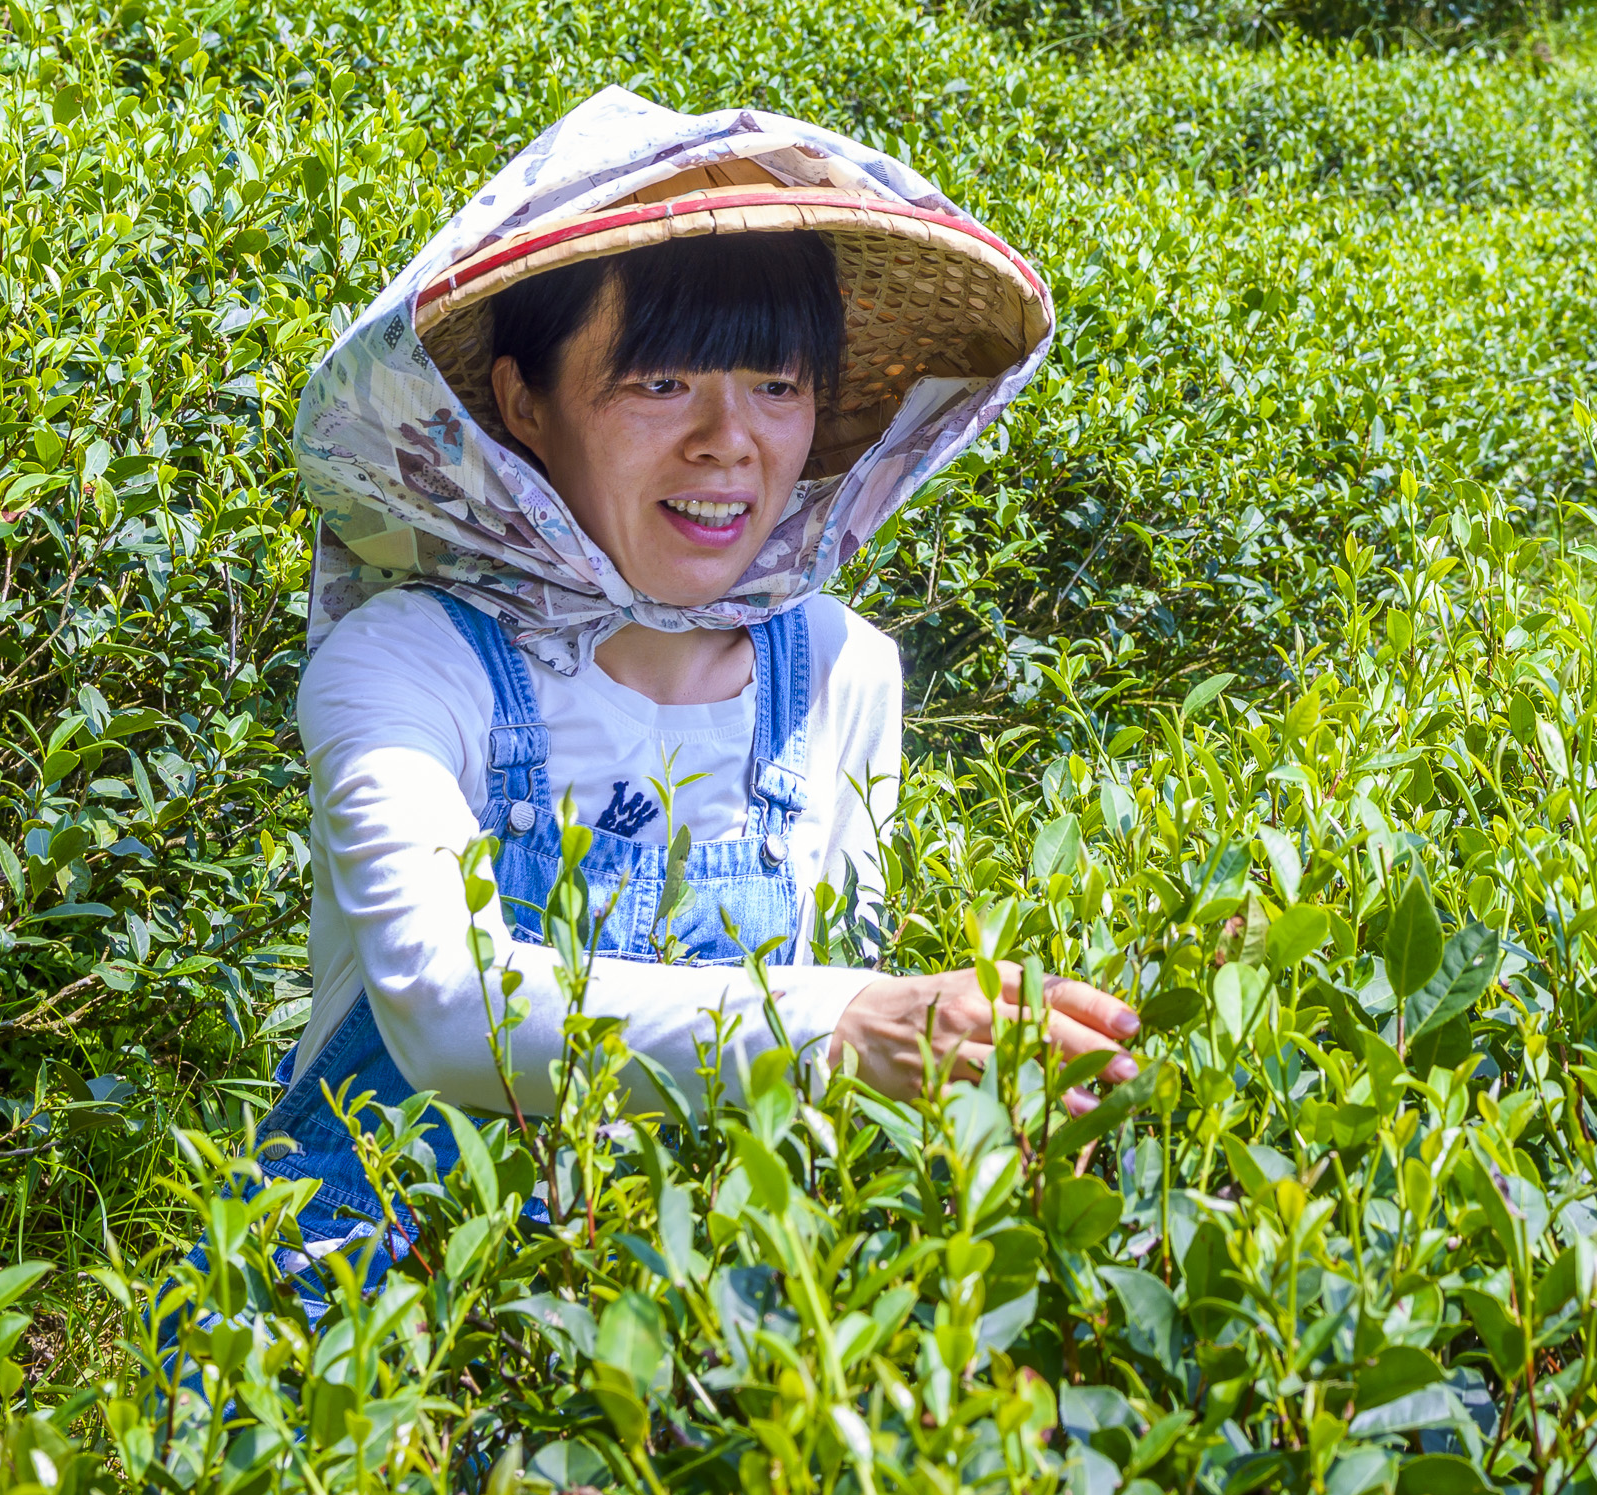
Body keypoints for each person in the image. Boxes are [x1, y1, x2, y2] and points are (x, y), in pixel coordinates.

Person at [254, 88, 1141, 1280]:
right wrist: (835, 1028)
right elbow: (441, 1003)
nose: (730, 442)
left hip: (681, 1320)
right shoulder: (411, 660)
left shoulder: (841, 671)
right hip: (364, 1319)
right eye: (662, 383)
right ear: (524, 402)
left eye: (776, 387)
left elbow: (846, 982)